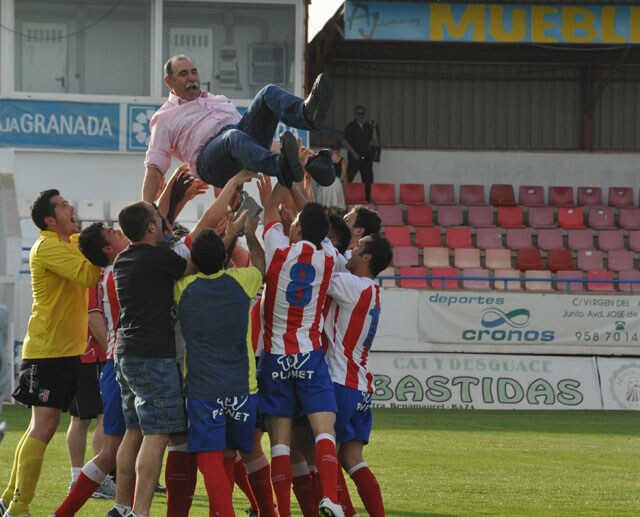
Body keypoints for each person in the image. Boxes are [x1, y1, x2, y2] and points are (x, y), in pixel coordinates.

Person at [0, 190, 101, 517]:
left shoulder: (67, 244)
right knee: (44, 427)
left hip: (63, 352)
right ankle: (20, 508)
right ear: (49, 219)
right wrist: (112, 249)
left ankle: (8, 500)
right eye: (63, 205)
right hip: (48, 354)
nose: (71, 206)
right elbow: (88, 275)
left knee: (38, 427)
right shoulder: (48, 247)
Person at [258, 181, 344, 517]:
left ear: (296, 228)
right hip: (310, 353)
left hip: (275, 355)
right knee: (325, 430)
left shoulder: (277, 248)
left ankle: (282, 511)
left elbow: (267, 212)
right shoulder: (329, 257)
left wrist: (282, 180)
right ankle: (331, 500)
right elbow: (315, 220)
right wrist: (297, 183)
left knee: (280, 440)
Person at [142, 54, 334, 201]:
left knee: (268, 93)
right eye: (183, 74)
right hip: (210, 163)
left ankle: (307, 116)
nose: (191, 77)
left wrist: (304, 160)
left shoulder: (218, 100)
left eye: (193, 72)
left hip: (236, 141)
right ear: (169, 82)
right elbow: (155, 167)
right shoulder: (165, 118)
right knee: (232, 137)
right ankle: (279, 166)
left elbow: (249, 142)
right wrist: (147, 210)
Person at [173, 213, 265, 517]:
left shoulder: (183, 288)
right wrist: (247, 233)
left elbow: (188, 268)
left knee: (209, 460)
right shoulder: (243, 281)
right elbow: (260, 266)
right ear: (225, 258)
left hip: (203, 389)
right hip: (242, 388)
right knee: (230, 455)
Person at [113, 201, 196, 517]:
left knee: (133, 431)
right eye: (159, 219)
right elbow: (194, 257)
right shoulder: (160, 259)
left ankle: (122, 506)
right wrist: (230, 187)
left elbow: (153, 219)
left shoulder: (124, 258)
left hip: (126, 352)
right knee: (157, 434)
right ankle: (140, 512)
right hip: (152, 356)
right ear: (151, 227)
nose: (165, 222)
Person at [50, 223, 130, 517]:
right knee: (87, 422)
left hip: (111, 359)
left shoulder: (113, 268)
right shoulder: (105, 274)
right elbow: (93, 317)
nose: (118, 230)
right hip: (107, 359)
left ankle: (121, 505)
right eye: (112, 230)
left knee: (116, 436)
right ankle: (81, 483)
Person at [323, 234, 393, 517]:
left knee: (324, 456)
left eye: (357, 247)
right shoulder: (372, 290)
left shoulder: (351, 286)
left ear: (367, 257)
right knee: (353, 460)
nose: (351, 250)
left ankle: (347, 514)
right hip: (362, 386)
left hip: (341, 382)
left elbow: (316, 273)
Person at [65, 285, 113, 499]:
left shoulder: (77, 272)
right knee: (105, 417)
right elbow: (94, 318)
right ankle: (97, 480)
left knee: (79, 419)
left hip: (76, 352)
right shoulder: (92, 275)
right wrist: (111, 350)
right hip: (94, 355)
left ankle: (78, 478)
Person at [342, 106, 379, 202]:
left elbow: (374, 141)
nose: (360, 116)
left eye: (362, 113)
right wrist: (353, 152)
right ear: (355, 114)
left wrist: (374, 127)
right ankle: (342, 200)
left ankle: (367, 201)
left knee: (368, 180)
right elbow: (344, 142)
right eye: (358, 113)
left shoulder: (368, 126)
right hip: (354, 158)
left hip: (366, 157)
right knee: (348, 178)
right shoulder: (351, 126)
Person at [316, 141, 346, 211]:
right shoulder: (342, 160)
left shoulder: (324, 158)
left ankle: (325, 220)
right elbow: (345, 176)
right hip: (336, 182)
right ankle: (334, 220)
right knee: (334, 206)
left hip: (325, 181)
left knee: (324, 206)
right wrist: (344, 187)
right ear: (340, 149)